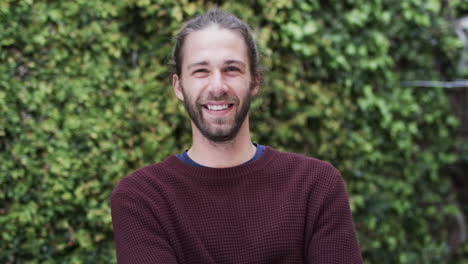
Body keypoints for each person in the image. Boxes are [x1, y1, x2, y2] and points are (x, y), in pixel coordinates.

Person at [111, 8, 363, 264]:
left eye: (231, 69)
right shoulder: (143, 197)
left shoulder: (315, 185)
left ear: (254, 82)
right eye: (201, 71)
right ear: (178, 86)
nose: (217, 86)